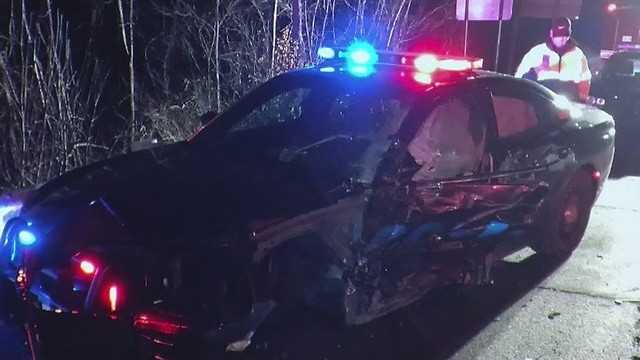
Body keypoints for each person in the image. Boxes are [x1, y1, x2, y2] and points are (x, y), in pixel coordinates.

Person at [514, 17, 592, 101]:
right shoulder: (537, 52)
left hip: (569, 102)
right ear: (551, 33)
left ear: (569, 34)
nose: (561, 38)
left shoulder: (578, 54)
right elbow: (519, 79)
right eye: (558, 34)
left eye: (565, 34)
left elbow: (585, 78)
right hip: (543, 99)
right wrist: (538, 69)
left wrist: (581, 100)